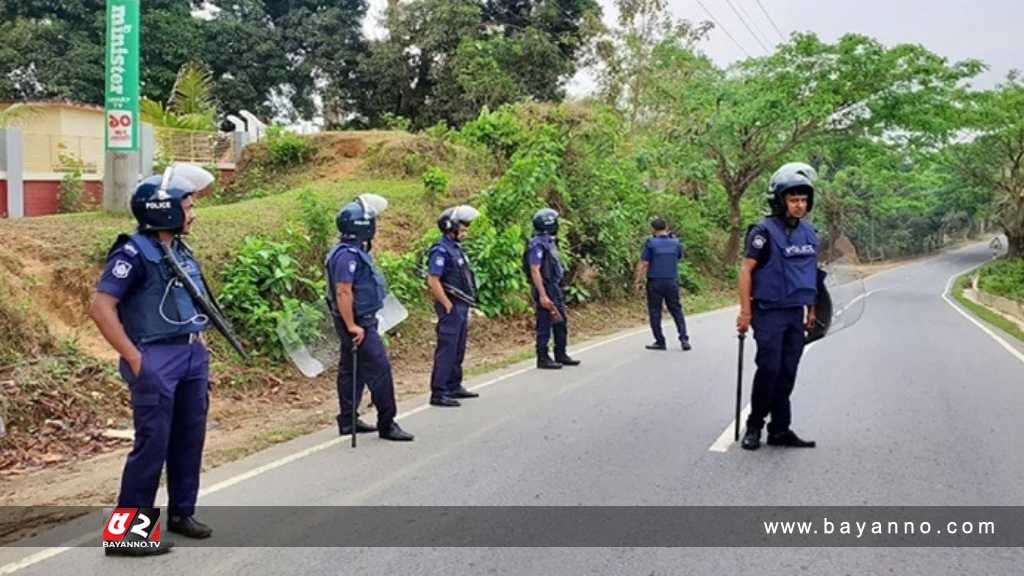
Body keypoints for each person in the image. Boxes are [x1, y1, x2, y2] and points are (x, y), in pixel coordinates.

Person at [89, 164, 219, 556]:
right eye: (187, 205)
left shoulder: (179, 249)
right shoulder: (133, 252)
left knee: (188, 438)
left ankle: (181, 513)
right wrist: (134, 357)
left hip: (190, 352)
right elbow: (101, 307)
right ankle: (127, 534)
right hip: (154, 356)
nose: (192, 213)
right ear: (164, 209)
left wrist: (199, 349)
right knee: (152, 444)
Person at [736, 162, 819, 451]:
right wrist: (745, 312)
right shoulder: (763, 231)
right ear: (781, 200)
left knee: (787, 372)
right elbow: (746, 270)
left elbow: (812, 274)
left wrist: (813, 309)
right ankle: (754, 426)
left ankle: (780, 430)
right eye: (794, 199)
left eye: (803, 199)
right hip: (768, 312)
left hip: (795, 313)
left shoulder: (809, 233)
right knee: (769, 369)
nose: (800, 205)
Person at [326, 194, 414, 442]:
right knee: (380, 369)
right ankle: (387, 423)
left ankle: (347, 419)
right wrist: (352, 325)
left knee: (351, 370)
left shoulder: (352, 250)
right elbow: (343, 291)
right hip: (358, 322)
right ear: (362, 225)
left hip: (359, 319)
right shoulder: (346, 256)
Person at [427, 205, 482, 407]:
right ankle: (439, 392)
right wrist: (446, 303)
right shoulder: (440, 250)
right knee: (447, 349)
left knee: (458, 347)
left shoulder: (456, 248)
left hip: (462, 305)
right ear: (450, 226)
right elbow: (433, 280)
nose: (465, 232)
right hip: (451, 306)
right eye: (463, 228)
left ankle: (454, 385)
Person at [525, 208, 581, 370]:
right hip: (545, 287)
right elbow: (535, 269)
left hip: (555, 287)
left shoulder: (549, 242)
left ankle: (560, 353)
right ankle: (543, 357)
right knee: (544, 323)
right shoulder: (537, 244)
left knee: (560, 321)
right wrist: (542, 295)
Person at [634, 217, 691, 351]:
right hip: (671, 281)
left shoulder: (651, 243)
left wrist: (638, 280)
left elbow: (644, 263)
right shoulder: (676, 243)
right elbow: (679, 258)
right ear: (666, 227)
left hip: (655, 282)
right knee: (676, 310)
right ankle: (684, 339)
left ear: (652, 229)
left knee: (655, 311)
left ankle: (660, 341)